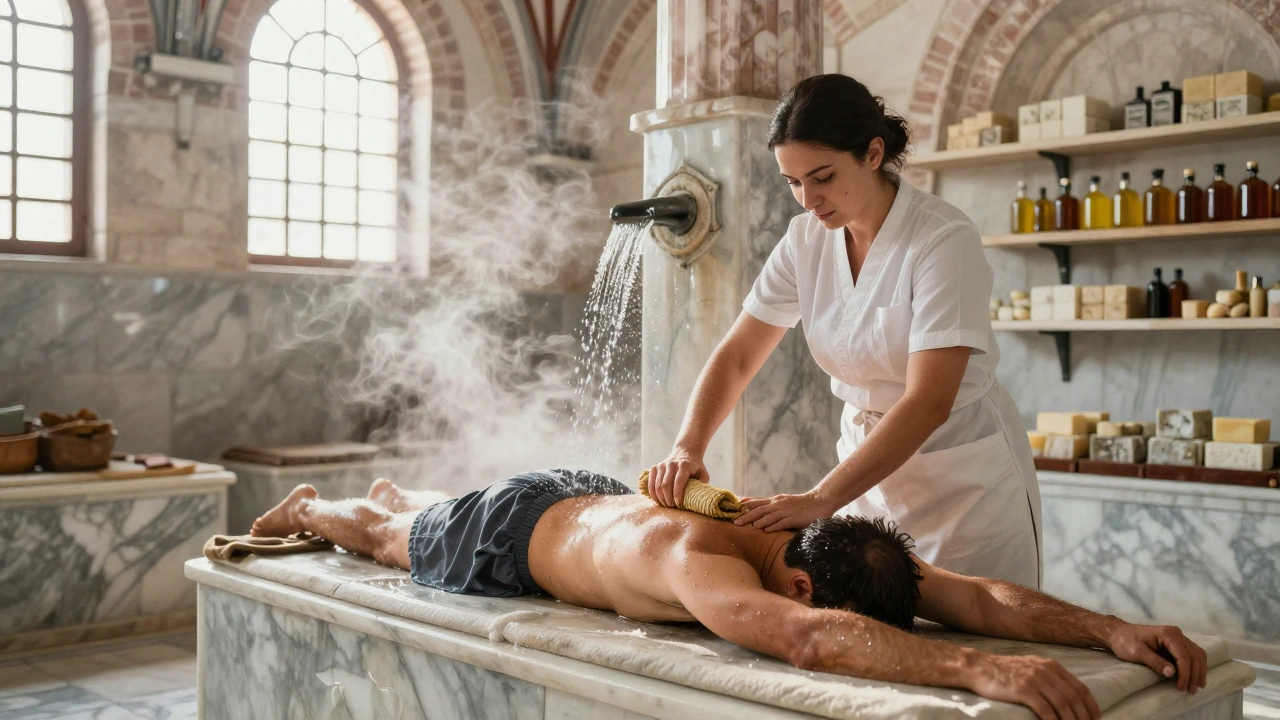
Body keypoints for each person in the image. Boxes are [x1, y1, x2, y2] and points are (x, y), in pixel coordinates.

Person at [249, 469, 1208, 720]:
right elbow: (807, 642)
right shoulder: (697, 562)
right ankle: (324, 506)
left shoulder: (808, 531)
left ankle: (407, 499)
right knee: (386, 544)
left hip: (577, 496)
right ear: (800, 577)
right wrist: (978, 673)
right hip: (513, 533)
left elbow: (976, 596)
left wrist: (1111, 630)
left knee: (421, 514)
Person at [646, 74, 1042, 588]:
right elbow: (740, 353)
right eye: (792, 182)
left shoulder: (943, 239)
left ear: (873, 153)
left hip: (961, 481)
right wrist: (687, 446)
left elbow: (928, 402)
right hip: (862, 472)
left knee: (979, 640)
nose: (807, 198)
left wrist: (818, 500)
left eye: (823, 176)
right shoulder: (805, 239)